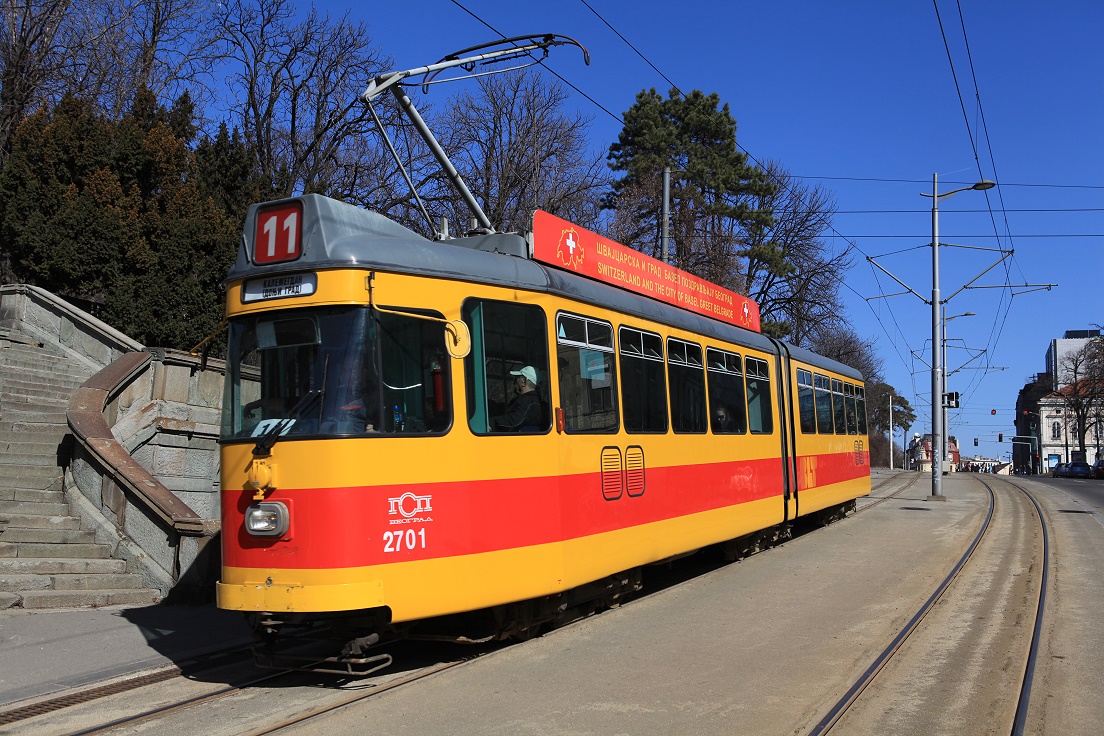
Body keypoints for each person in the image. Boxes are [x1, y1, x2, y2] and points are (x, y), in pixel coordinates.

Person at [492, 365, 543, 431]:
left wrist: (491, 423)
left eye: (516, 379)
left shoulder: (526, 401)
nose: (514, 383)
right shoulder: (539, 402)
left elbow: (514, 422)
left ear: (524, 381)